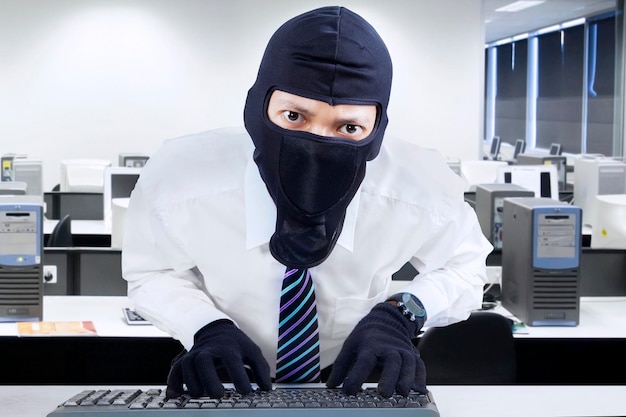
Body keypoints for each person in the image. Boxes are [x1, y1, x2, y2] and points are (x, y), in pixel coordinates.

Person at [122, 6, 492, 400]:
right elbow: (151, 272)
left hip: (355, 382)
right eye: (294, 116)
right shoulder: (180, 178)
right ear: (256, 108)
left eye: (349, 127)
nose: (317, 144)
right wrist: (203, 324)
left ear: (377, 131)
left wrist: (402, 315)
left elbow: (465, 267)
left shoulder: (419, 187)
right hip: (223, 377)